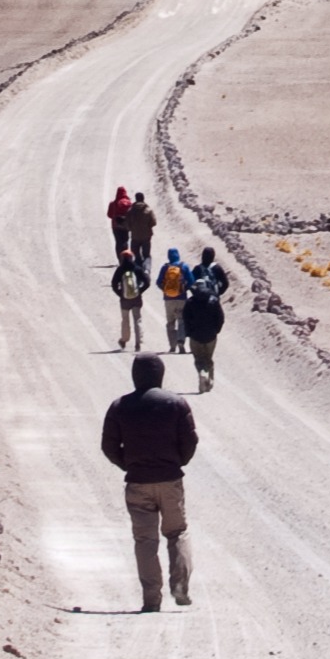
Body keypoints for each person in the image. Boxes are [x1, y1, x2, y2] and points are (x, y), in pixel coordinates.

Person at [99, 352, 196, 611]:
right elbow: (190, 441)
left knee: (145, 540)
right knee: (177, 532)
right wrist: (177, 462)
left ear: (135, 376)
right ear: (160, 375)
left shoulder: (119, 406)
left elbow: (108, 446)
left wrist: (128, 464)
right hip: (170, 480)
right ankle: (180, 584)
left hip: (138, 482)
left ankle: (151, 599)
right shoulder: (176, 403)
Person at [182, 270, 225, 391]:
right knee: (208, 358)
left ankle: (202, 373)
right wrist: (216, 330)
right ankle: (210, 380)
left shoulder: (190, 302)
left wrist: (188, 332)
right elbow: (220, 318)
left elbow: (185, 319)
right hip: (211, 336)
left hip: (195, 336)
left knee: (198, 359)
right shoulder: (214, 300)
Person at [110, 247, 148, 350]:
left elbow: (114, 284)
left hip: (124, 300)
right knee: (137, 319)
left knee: (125, 320)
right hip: (136, 298)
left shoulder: (120, 270)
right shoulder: (137, 269)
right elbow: (147, 282)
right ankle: (138, 342)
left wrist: (120, 294)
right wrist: (140, 291)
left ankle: (124, 339)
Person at [155, 247, 191, 353]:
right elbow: (191, 281)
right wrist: (183, 289)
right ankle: (181, 341)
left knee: (170, 322)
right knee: (181, 321)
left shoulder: (165, 268)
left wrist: (166, 290)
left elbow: (158, 282)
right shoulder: (184, 266)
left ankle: (172, 345)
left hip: (168, 299)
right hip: (181, 298)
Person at [124, 192, 157, 278]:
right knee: (146, 255)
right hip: (146, 236)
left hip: (135, 237)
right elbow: (154, 222)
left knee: (136, 254)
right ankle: (147, 270)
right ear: (143, 198)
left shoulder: (130, 211)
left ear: (136, 199)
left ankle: (138, 271)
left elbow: (127, 225)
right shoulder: (148, 210)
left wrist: (132, 229)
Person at [108, 186, 133, 257]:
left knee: (118, 242)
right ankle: (126, 256)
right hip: (126, 225)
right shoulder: (129, 203)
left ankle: (119, 257)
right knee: (125, 241)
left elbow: (109, 215)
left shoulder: (112, 203)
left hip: (116, 226)